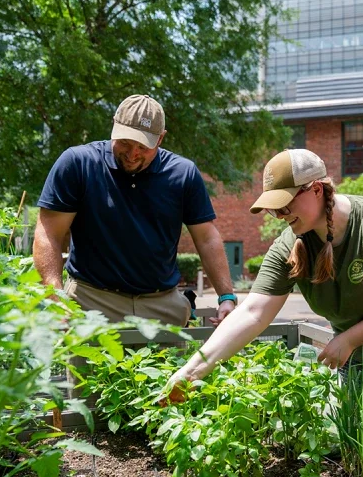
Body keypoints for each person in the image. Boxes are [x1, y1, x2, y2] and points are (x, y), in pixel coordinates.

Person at [164, 148, 363, 395]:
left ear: (317, 189)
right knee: (360, 436)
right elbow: (252, 312)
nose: (280, 214)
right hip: (353, 347)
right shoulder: (290, 244)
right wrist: (190, 372)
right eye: (274, 209)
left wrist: (348, 339)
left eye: (285, 204)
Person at [33, 94, 237, 328]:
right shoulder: (78, 164)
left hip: (162, 305)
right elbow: (49, 233)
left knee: (170, 367)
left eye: (143, 146)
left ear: (160, 139)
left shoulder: (183, 174)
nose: (132, 154)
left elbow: (206, 238)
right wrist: (55, 295)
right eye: (126, 143)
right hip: (91, 302)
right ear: (114, 127)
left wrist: (226, 296)